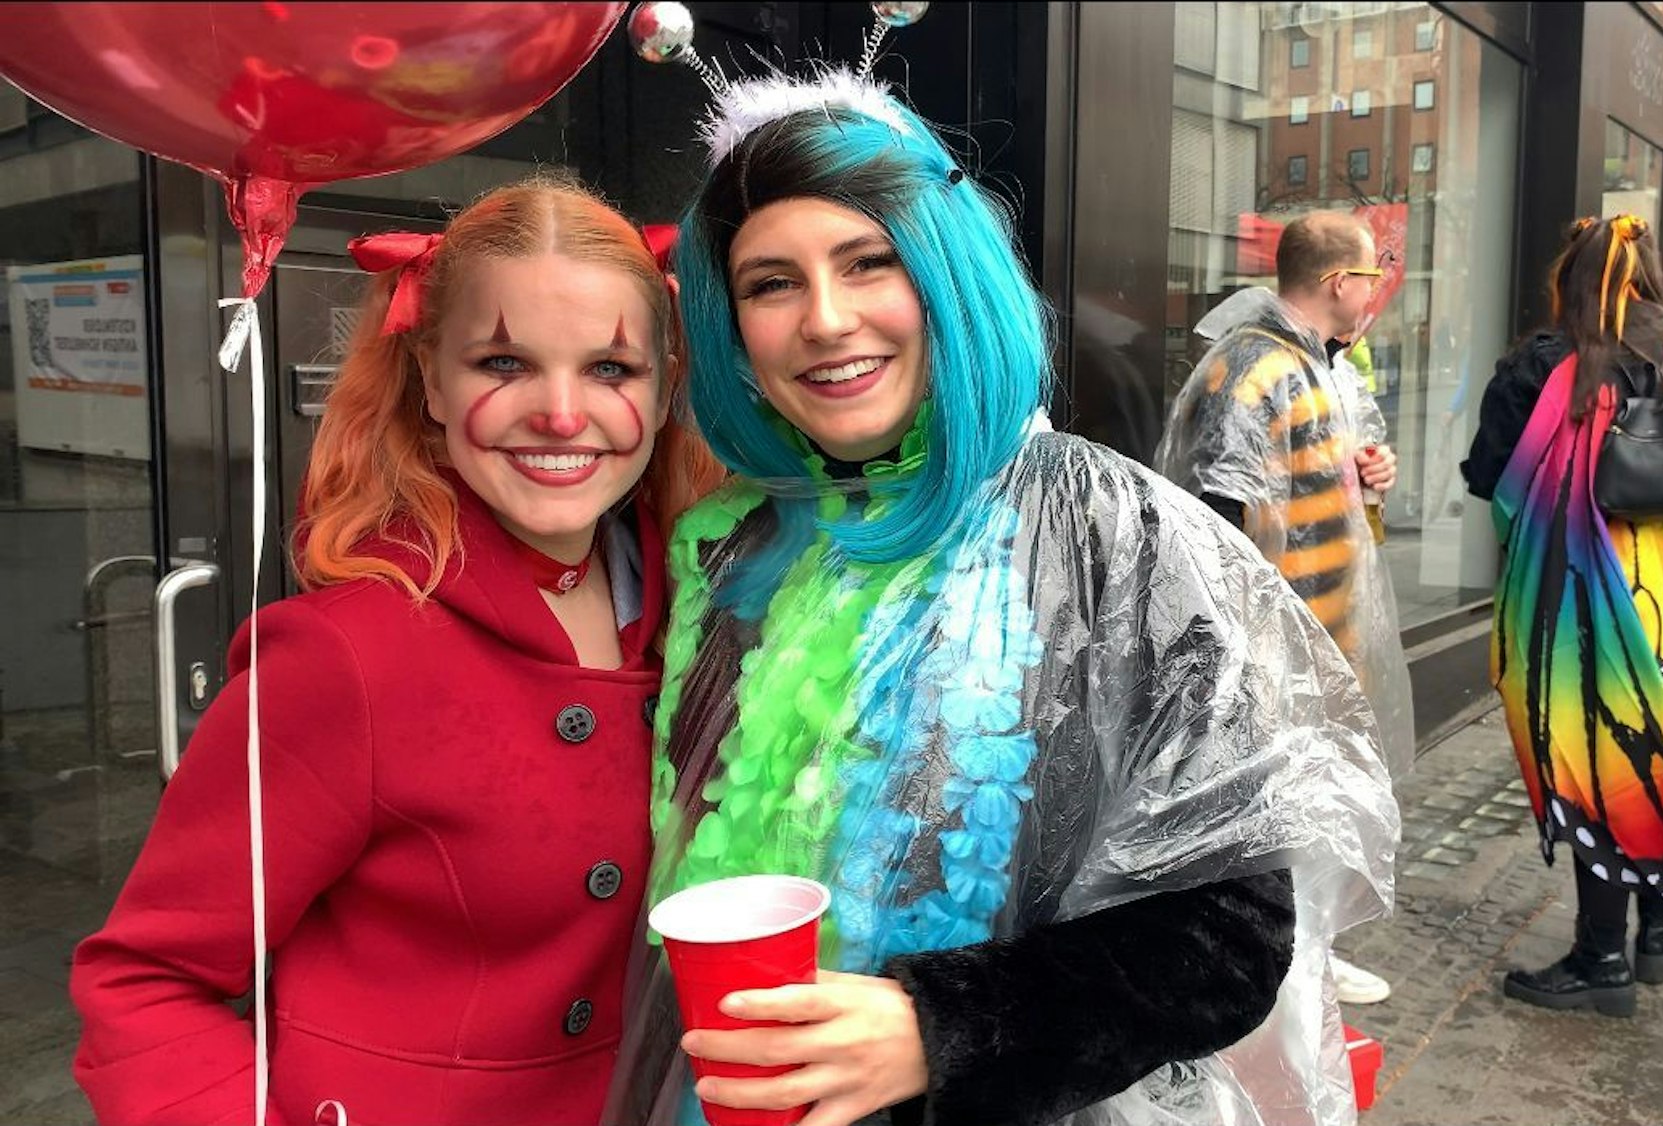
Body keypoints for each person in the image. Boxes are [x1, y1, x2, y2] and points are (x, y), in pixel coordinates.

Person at [603, 71, 1399, 1126]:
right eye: (771, 283)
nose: (825, 320)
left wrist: (942, 1028)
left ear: (946, 270)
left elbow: (1229, 939)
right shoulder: (728, 545)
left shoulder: (1106, 531)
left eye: (868, 261)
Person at [69, 177, 722, 1124]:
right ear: (430, 379)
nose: (562, 413)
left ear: (666, 390)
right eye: (504, 362)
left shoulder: (706, 620)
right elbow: (144, 982)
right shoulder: (342, 658)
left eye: (611, 369)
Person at [1462, 216, 1663, 1017]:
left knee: (1604, 769)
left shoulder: (1544, 365)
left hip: (1586, 604)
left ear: (1570, 281)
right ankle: (1658, 935)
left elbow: (1488, 475)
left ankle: (1601, 957)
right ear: (1651, 277)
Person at [1155, 209, 1416, 1007]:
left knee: (1309, 803)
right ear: (1340, 282)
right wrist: (1242, 647)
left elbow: (1316, 488)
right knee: (1270, 810)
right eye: (1370, 276)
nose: (1374, 292)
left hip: (1318, 638)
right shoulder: (1256, 367)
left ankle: (1310, 955)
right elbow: (1215, 512)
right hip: (1274, 648)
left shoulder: (1319, 367)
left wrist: (1369, 475)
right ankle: (1285, 973)